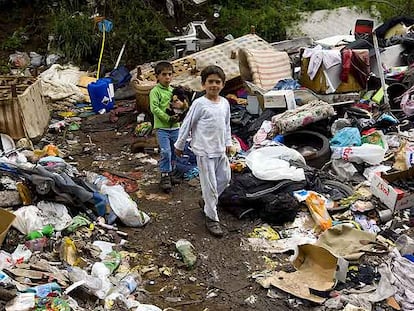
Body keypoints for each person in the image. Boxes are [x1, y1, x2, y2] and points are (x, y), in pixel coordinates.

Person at [174, 65, 232, 237]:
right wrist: (179, 144)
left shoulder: (225, 103)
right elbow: (187, 124)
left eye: (217, 82)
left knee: (225, 179)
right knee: (211, 187)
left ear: (223, 84)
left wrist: (228, 142)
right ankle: (212, 218)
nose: (214, 85)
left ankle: (207, 202)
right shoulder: (200, 103)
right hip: (204, 151)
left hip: (220, 150)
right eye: (210, 82)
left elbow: (227, 124)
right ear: (203, 84)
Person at [149, 61, 181, 193]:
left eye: (169, 74)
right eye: (164, 74)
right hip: (162, 128)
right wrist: (168, 118)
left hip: (175, 128)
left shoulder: (174, 90)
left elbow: (180, 104)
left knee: (175, 152)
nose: (167, 77)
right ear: (157, 76)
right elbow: (154, 108)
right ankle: (164, 175)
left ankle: (171, 172)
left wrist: (181, 113)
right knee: (165, 152)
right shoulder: (155, 92)